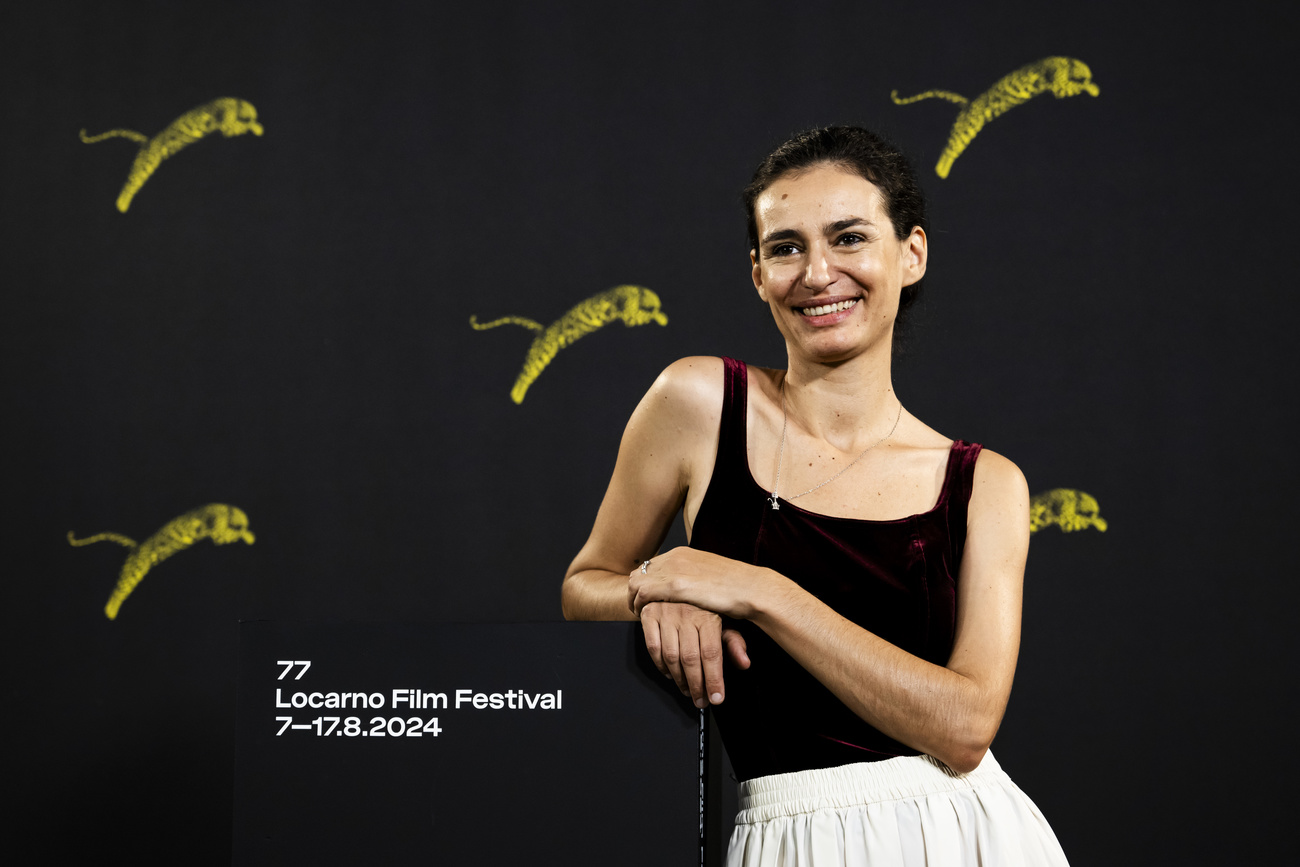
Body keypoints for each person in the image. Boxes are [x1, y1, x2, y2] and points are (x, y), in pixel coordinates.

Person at [562, 126, 1068, 865]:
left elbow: (965, 726)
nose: (818, 272)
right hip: (783, 834)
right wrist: (655, 595)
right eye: (786, 246)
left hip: (963, 837)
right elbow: (585, 585)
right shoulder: (699, 401)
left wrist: (758, 589)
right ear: (758, 272)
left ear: (912, 253)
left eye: (850, 237)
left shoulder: (985, 482)